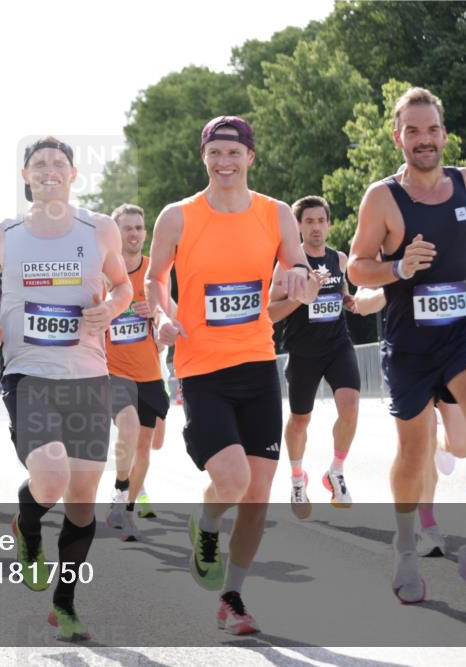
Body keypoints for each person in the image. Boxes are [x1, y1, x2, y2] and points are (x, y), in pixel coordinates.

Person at [146, 116, 316, 635]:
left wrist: (301, 282)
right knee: (233, 480)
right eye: (215, 153)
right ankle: (206, 524)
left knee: (257, 497)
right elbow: (154, 278)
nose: (224, 162)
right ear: (204, 157)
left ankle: (233, 597)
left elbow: (298, 269)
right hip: (202, 368)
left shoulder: (276, 213)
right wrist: (162, 316)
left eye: (234, 153)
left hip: (259, 364)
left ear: (250, 157)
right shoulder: (178, 217)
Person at [348, 87, 466, 610]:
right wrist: (398, 267)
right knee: (414, 453)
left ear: (444, 133)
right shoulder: (382, 197)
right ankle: (404, 549)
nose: (424, 140)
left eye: (432, 129)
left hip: (462, 334)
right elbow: (356, 266)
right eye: (412, 131)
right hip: (409, 345)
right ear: (398, 137)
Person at [0, 136, 132, 642]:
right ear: (26, 176)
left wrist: (114, 308)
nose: (49, 170)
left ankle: (65, 601)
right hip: (29, 374)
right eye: (39, 164)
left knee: (82, 503)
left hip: (89, 376)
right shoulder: (3, 233)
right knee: (52, 477)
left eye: (59, 163)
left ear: (74, 174)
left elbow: (123, 286)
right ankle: (30, 522)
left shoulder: (99, 229)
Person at [354, 285, 466, 558]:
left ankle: (442, 444)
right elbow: (362, 302)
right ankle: (428, 527)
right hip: (407, 356)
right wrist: (396, 286)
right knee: (419, 448)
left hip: (450, 352)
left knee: (462, 446)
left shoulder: (452, 244)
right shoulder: (385, 247)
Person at [267, 195, 359, 518]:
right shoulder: (289, 265)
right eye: (309, 222)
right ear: (298, 227)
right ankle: (296, 478)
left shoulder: (339, 259)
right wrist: (303, 296)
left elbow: (343, 289)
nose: (316, 227)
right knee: (300, 419)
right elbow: (270, 312)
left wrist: (347, 299)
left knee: (350, 406)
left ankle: (336, 470)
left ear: (329, 224)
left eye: (321, 221)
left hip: (338, 345)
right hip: (303, 351)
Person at [102, 203, 171, 539]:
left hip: (150, 372)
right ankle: (118, 490)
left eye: (139, 227)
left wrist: (153, 313)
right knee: (127, 425)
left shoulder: (153, 272)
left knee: (147, 446)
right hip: (113, 371)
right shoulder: (102, 274)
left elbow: (167, 315)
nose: (134, 234)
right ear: (115, 233)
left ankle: (127, 509)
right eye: (127, 228)